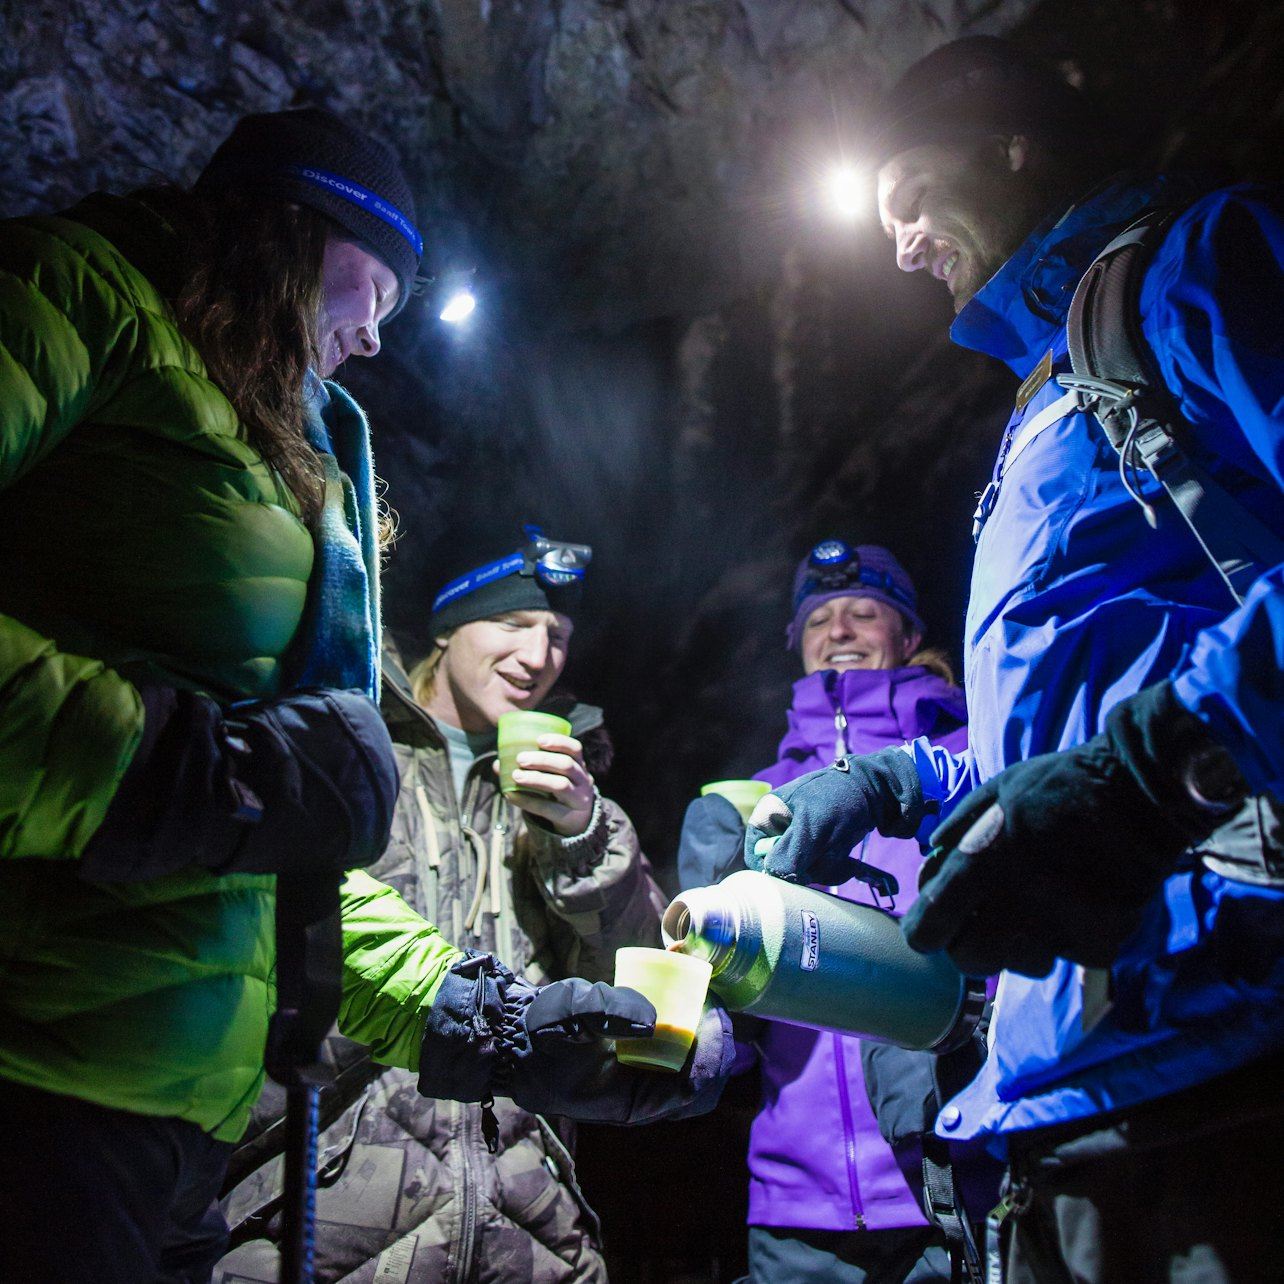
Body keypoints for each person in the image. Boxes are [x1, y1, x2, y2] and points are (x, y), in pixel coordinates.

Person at [0, 107, 728, 1283]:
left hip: (185, 1107)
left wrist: (488, 1019)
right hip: (45, 1076)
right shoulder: (76, 299)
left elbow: (288, 871)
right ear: (287, 230)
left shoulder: (284, 455)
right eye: (373, 284)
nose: (379, 336)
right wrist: (165, 766)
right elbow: (229, 794)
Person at [745, 37, 1284, 1281]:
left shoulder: (1189, 271)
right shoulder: (1046, 398)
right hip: (1069, 1098)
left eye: (911, 197)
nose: (896, 245)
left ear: (1010, 148)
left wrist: (1157, 775)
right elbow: (1062, 728)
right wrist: (900, 786)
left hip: (1233, 1058)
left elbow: (1123, 754)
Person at [216, 528, 668, 1283]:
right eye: (513, 624)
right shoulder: (348, 752)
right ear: (448, 626)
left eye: (557, 636)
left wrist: (583, 835)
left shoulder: (574, 792)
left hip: (532, 1227)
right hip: (319, 1207)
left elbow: (642, 977)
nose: (538, 656)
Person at [678, 542, 969, 1283]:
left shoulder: (967, 762)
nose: (839, 630)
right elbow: (734, 1025)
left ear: (907, 637)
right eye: (819, 621)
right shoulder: (760, 796)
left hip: (952, 1166)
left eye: (864, 613)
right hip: (794, 1200)